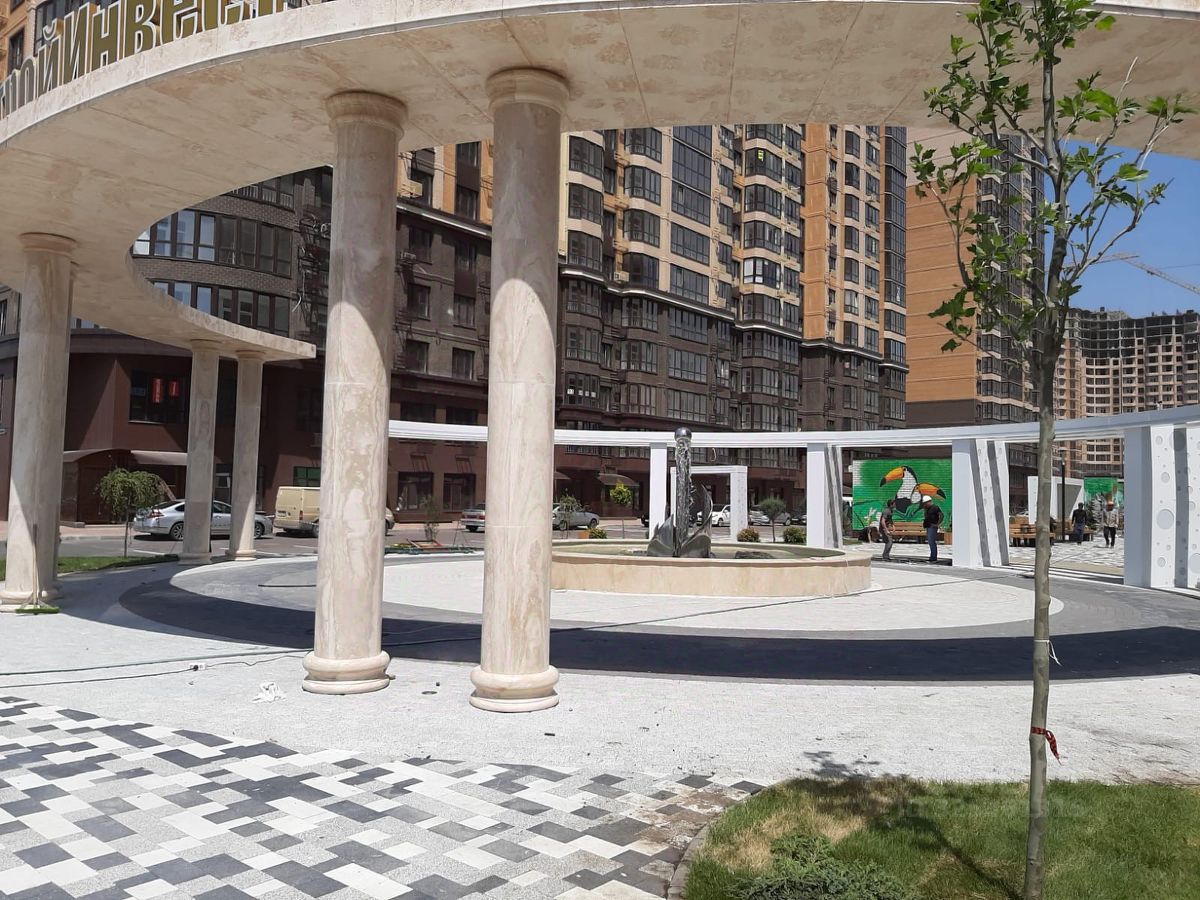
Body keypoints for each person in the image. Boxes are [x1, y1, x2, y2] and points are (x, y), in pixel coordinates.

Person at [921, 495, 943, 563]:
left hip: (932, 527)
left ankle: (933, 557)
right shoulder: (926, 509)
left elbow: (941, 515)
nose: (925, 504)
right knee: (930, 542)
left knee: (932, 541)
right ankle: (932, 556)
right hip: (928, 526)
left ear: (929, 501)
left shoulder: (935, 507)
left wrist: (937, 524)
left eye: (925, 503)